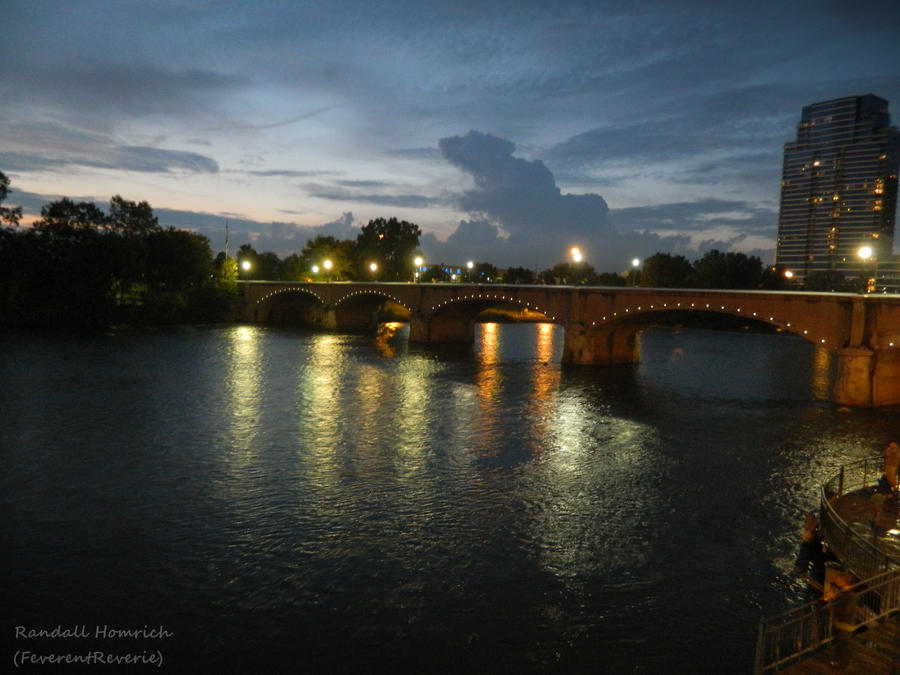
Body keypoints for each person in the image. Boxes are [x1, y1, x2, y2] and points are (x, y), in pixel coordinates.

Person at [825, 572, 858, 669]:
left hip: (845, 624)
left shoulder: (850, 596)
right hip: (842, 624)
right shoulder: (846, 594)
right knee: (841, 644)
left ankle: (842, 664)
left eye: (840, 580)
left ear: (844, 582)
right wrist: (833, 598)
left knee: (842, 645)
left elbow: (846, 610)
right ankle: (841, 662)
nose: (837, 581)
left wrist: (832, 607)